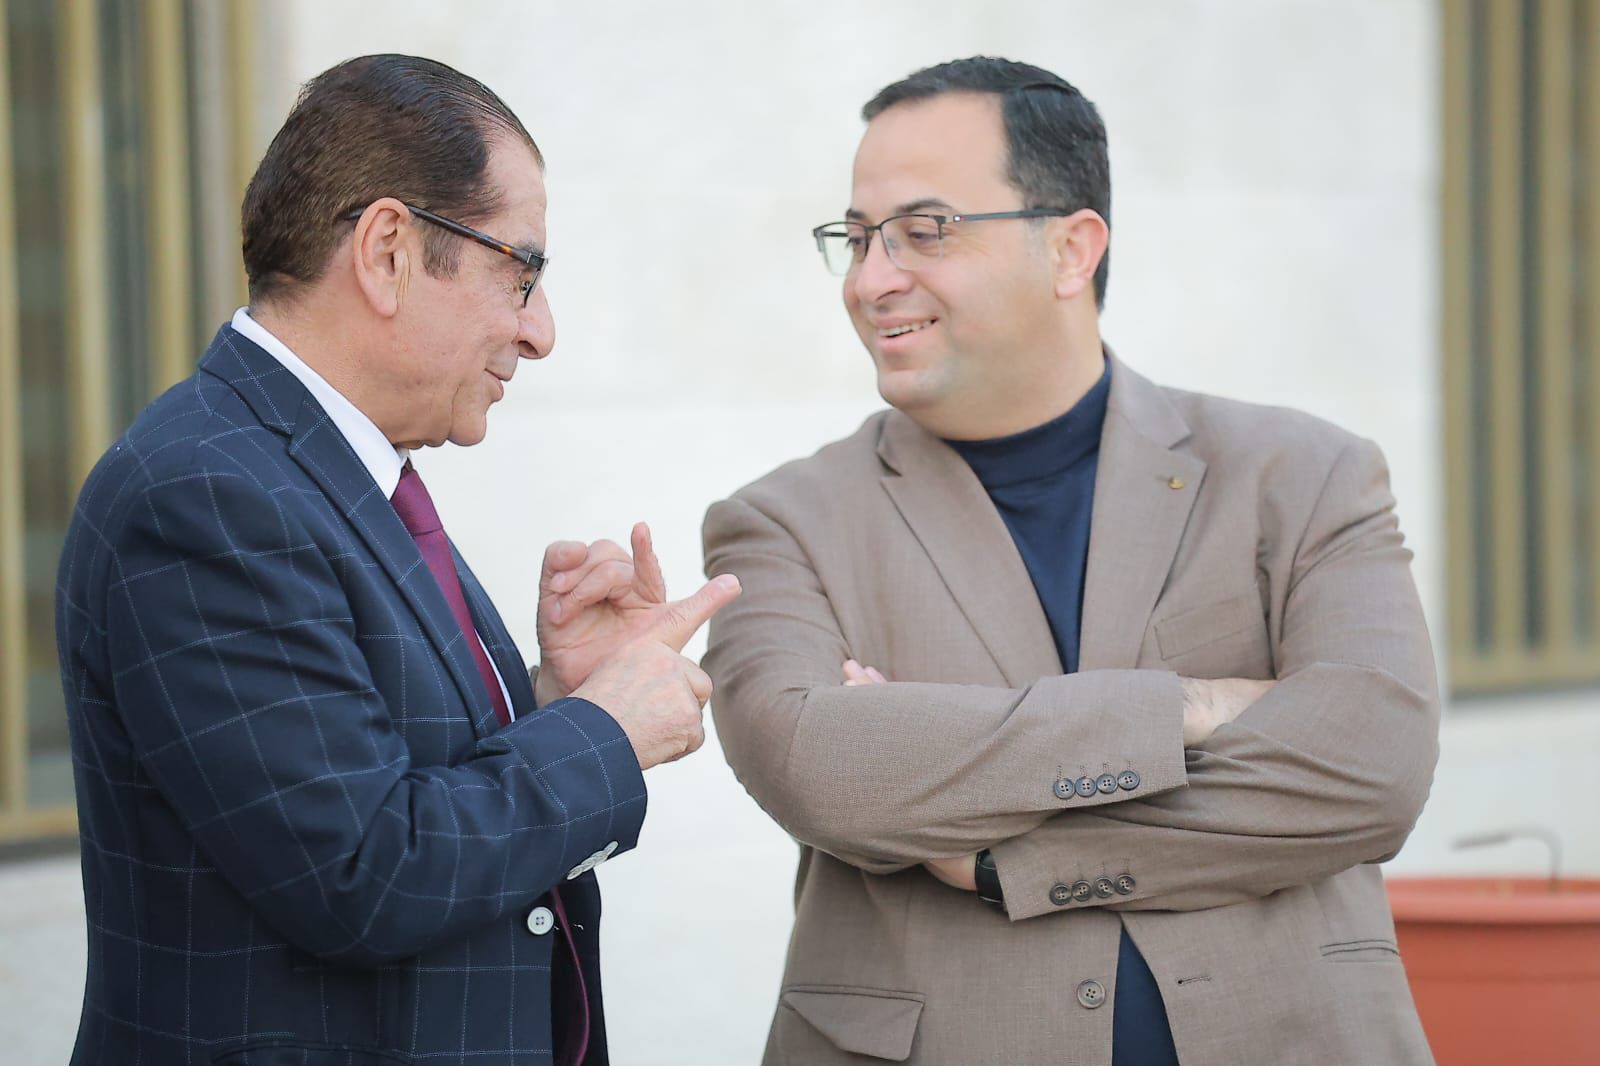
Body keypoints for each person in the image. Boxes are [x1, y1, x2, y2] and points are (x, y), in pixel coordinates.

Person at [703, 56, 1439, 1065]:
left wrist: (1001, 858)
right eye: (859, 237)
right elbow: (821, 767)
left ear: (1070, 248)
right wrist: (1189, 707)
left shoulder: (1305, 474)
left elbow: (1372, 766)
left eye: (923, 230)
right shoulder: (781, 522)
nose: (870, 279)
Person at [55, 53, 737, 1066]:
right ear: (388, 252)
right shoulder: (204, 492)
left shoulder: (316, 467)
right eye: (522, 273)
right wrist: (602, 732)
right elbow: (362, 872)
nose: (539, 332)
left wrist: (553, 701)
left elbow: (381, 771)